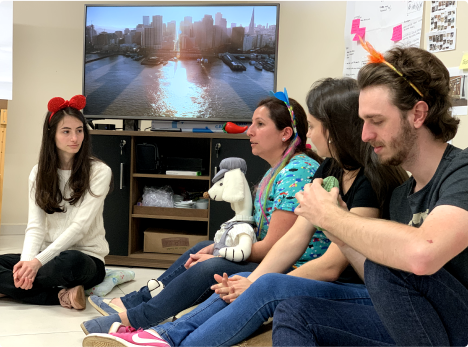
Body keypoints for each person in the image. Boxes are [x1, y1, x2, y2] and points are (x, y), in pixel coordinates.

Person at [82, 78, 409, 347]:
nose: (308, 134)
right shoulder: (329, 169)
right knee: (243, 278)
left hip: (359, 290)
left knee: (254, 281)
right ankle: (160, 335)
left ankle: (155, 332)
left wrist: (256, 283)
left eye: (315, 125)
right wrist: (251, 280)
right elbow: (294, 238)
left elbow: (332, 265)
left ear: (336, 131)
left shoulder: (364, 180)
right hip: (317, 273)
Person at [273, 45, 468, 347]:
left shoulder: (462, 171)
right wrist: (336, 231)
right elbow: (384, 285)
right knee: (295, 312)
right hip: (424, 328)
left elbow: (422, 255)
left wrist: (332, 216)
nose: (364, 135)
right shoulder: (401, 195)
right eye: (363, 121)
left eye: (376, 121)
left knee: (391, 257)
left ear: (418, 114)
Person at [81, 94, 323, 334]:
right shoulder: (279, 169)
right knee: (202, 248)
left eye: (260, 124)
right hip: (273, 258)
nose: (249, 131)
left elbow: (273, 247)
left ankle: (138, 318)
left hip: (291, 268)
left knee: (210, 266)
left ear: (285, 133)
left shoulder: (297, 172)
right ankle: (135, 302)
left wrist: (218, 254)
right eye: (251, 124)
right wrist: (215, 248)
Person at [0, 95, 112, 308]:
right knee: (16, 265)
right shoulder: (38, 173)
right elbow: (35, 227)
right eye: (66, 131)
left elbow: (79, 228)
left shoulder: (100, 171)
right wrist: (27, 262)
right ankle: (61, 297)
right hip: (45, 257)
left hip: (84, 259)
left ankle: (7, 289)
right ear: (51, 134)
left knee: (71, 262)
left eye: (80, 130)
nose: (75, 138)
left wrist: (37, 263)